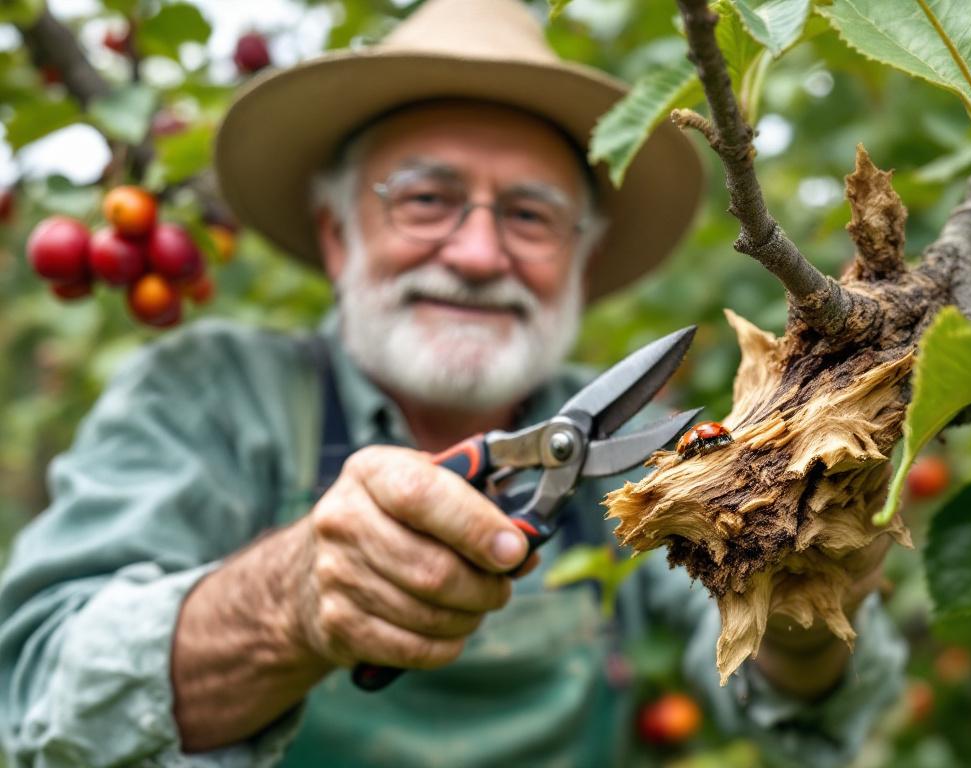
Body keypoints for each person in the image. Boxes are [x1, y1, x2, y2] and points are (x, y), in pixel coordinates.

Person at [0, 1, 905, 765]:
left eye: (530, 214)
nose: (477, 255)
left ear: (582, 263)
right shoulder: (205, 398)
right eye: (425, 199)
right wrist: (284, 605)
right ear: (335, 232)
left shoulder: (663, 450)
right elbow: (30, 694)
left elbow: (818, 725)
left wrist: (801, 594)